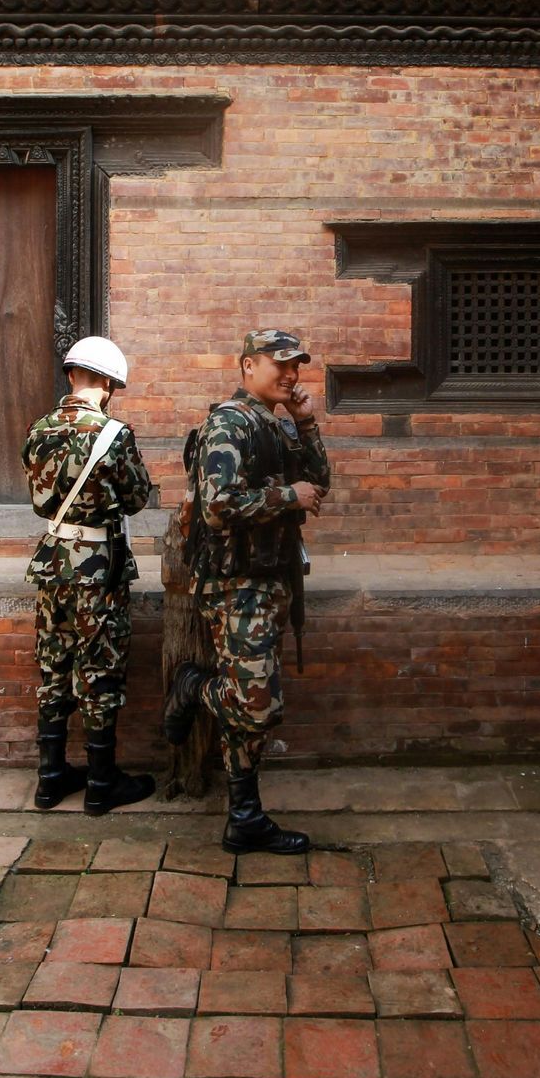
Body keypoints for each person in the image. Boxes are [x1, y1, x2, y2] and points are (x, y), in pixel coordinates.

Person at [164, 328, 330, 854]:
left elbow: (320, 482)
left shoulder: (277, 428)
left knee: (250, 712)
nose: (290, 374)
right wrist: (289, 495)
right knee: (256, 705)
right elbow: (218, 504)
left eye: (295, 366)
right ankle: (192, 686)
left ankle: (245, 818)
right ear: (246, 366)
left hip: (268, 581)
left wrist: (306, 423)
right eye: (278, 364)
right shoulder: (228, 423)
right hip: (235, 585)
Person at [21, 335, 156, 814]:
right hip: (96, 568)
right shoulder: (112, 434)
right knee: (99, 668)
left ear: (71, 375)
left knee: (54, 666)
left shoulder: (38, 429)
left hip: (51, 563)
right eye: (113, 385)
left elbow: (40, 498)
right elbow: (138, 497)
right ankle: (101, 784)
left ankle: (50, 779)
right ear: (105, 382)